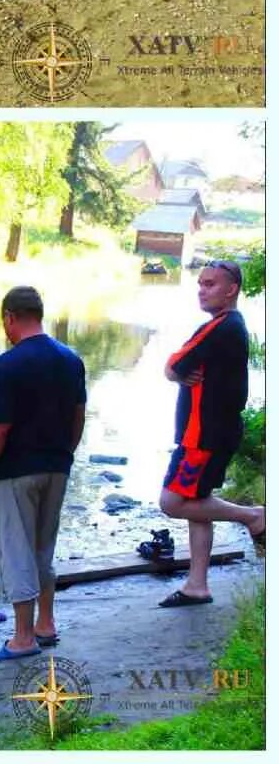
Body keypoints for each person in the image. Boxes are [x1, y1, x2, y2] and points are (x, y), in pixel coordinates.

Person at [0, 287, 86, 662]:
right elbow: (79, 415)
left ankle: (22, 638)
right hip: (57, 465)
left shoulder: (8, 366)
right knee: (42, 548)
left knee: (16, 549)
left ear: (9, 318)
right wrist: (65, 452)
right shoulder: (71, 359)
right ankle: (45, 624)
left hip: (16, 471)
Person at [156, 260, 265, 606]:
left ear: (231, 289)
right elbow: (181, 367)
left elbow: (173, 364)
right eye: (200, 284)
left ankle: (255, 516)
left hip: (201, 437)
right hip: (214, 432)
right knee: (195, 503)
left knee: (172, 502)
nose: (202, 290)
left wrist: (176, 373)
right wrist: (180, 373)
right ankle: (197, 584)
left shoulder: (220, 326)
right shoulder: (232, 325)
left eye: (211, 284)